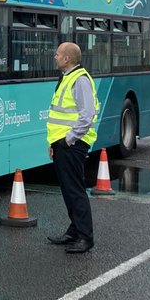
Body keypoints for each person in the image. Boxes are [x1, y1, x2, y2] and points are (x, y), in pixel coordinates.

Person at [45, 41, 99, 253]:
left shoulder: (80, 80)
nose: (55, 56)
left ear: (67, 58)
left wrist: (69, 139)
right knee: (68, 190)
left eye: (58, 54)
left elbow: (87, 116)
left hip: (73, 144)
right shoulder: (68, 77)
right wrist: (54, 143)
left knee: (75, 190)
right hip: (62, 144)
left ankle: (86, 237)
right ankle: (74, 230)